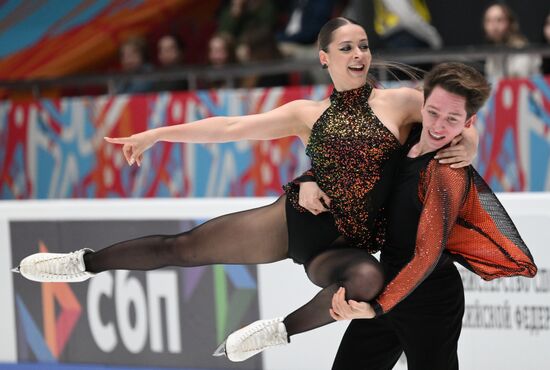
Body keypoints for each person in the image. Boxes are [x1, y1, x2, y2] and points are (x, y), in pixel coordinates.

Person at [13, 17, 477, 361]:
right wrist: (157, 134)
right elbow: (231, 125)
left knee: (367, 282)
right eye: (347, 47)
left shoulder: (401, 101)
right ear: (325, 58)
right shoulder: (304, 113)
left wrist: (470, 144)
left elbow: (458, 114)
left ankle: (277, 330)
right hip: (297, 221)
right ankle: (82, 263)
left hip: (344, 247)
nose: (359, 55)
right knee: (184, 246)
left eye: (363, 46)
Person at [326, 62, 537, 370]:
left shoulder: (446, 172)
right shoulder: (406, 135)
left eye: (452, 119)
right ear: (421, 103)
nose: (438, 126)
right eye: (433, 112)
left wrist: (377, 308)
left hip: (429, 301)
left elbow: (427, 254)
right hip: (388, 283)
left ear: (468, 122)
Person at [482, 3, 541, 79]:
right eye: (488, 21)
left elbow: (521, 82)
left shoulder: (521, 49)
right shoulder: (492, 52)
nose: (494, 26)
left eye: (499, 20)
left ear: (510, 23)